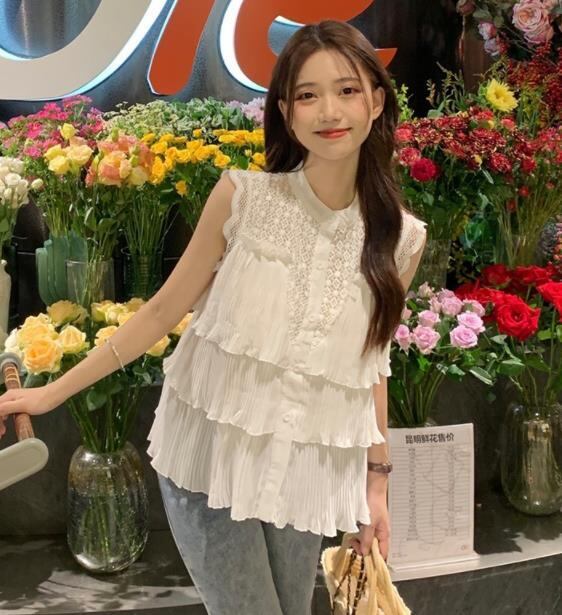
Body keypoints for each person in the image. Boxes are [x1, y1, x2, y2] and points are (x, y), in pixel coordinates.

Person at [0, 20, 426, 615]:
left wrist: (375, 486)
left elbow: (370, 365)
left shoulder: (402, 238)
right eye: (308, 94)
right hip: (210, 456)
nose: (330, 110)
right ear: (286, 112)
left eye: (348, 90)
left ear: (376, 101)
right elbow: (161, 312)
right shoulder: (243, 198)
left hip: (305, 467)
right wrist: (49, 394)